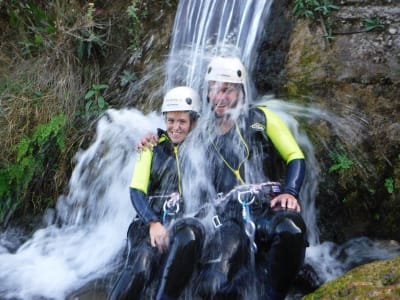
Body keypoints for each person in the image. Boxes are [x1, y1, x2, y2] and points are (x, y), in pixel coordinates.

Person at [192, 55, 308, 300]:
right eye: (214, 89)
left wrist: (290, 192)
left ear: (241, 92)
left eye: (227, 89)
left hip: (265, 207)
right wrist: (152, 139)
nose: (220, 96)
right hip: (228, 217)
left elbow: (295, 156)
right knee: (213, 284)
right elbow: (173, 136)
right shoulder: (202, 132)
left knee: (291, 229)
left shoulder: (261, 118)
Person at [107, 86, 205, 300]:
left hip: (184, 224)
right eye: (171, 120)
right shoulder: (151, 147)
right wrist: (153, 222)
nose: (175, 127)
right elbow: (136, 191)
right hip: (148, 221)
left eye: (182, 122)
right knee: (142, 263)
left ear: (193, 123)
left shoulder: (202, 149)